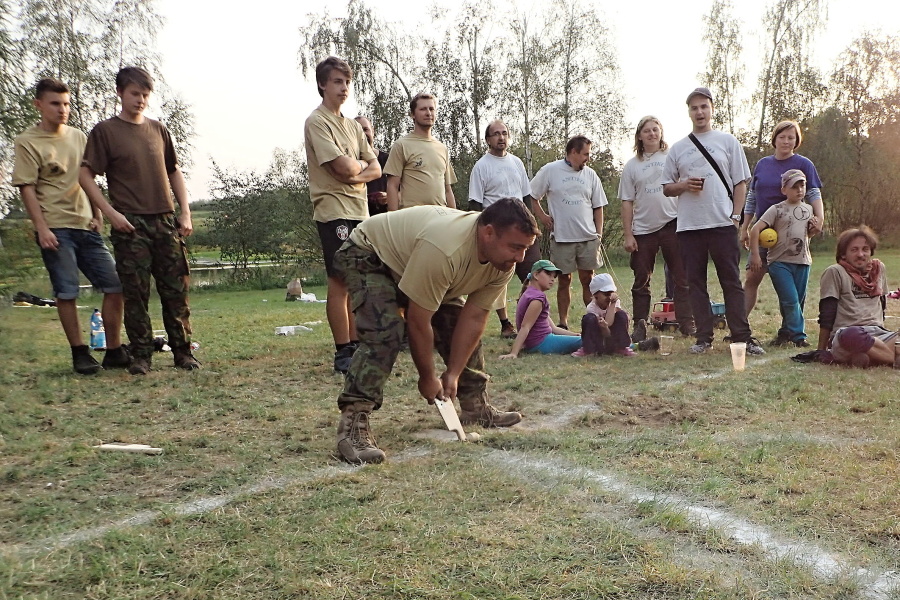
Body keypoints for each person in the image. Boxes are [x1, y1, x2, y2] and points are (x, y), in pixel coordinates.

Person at [332, 198, 538, 464]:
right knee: (386, 330)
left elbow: (474, 319)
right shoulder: (446, 249)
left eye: (525, 249)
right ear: (488, 232)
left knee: (455, 324)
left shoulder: (503, 263)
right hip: (370, 252)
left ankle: (475, 406)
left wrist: (452, 374)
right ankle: (352, 425)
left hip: (421, 264)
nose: (520, 258)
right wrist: (428, 377)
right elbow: (418, 320)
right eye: (515, 247)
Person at [80, 66, 198, 375]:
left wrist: (184, 211)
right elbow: (85, 175)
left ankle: (183, 352)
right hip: (130, 224)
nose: (141, 100)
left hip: (164, 219)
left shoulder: (158, 130)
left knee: (175, 291)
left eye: (145, 95)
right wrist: (111, 214)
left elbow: (173, 170)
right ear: (120, 92)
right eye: (135, 94)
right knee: (135, 294)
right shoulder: (105, 131)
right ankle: (141, 355)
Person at [12, 78, 129, 375]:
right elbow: (27, 187)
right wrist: (41, 228)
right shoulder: (28, 141)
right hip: (55, 227)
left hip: (86, 226)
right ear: (39, 105)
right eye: (55, 103)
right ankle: (79, 353)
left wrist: (98, 215)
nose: (62, 109)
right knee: (67, 291)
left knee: (115, 285)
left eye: (66, 104)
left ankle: (114, 350)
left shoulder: (78, 137)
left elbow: (88, 179)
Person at [662, 87, 764, 356]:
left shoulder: (728, 142)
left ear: (712, 109)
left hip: (721, 224)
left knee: (731, 281)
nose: (699, 112)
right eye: (694, 108)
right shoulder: (679, 148)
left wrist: (736, 216)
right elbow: (666, 188)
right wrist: (683, 184)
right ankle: (703, 337)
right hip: (688, 227)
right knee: (695, 284)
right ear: (689, 113)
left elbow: (741, 183)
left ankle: (742, 336)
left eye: (704, 107)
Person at [303, 57, 382, 374]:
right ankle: (343, 351)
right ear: (323, 84)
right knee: (339, 281)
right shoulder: (317, 122)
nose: (343, 87)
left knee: (359, 281)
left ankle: (359, 344)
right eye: (337, 81)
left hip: (359, 211)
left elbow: (373, 167)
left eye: (347, 82)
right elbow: (342, 167)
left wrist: (357, 171)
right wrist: (358, 168)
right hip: (333, 210)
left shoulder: (352, 126)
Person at [618, 116, 693, 341]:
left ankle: (687, 322)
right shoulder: (632, 165)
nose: (651, 134)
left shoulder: (672, 157)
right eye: (647, 131)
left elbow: (686, 186)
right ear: (639, 136)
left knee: (682, 276)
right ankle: (640, 324)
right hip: (643, 230)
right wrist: (628, 234)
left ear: (661, 133)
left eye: (655, 130)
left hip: (673, 224)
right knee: (641, 278)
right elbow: (626, 202)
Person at [740, 120, 824, 318]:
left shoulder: (804, 164)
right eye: (782, 137)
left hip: (792, 233)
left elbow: (813, 192)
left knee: (791, 286)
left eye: (791, 138)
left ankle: (790, 330)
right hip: (764, 232)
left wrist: (819, 218)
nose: (786, 141)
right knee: (752, 278)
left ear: (796, 141)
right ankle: (740, 326)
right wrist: (745, 226)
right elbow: (752, 197)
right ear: (775, 139)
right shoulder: (763, 164)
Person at [468, 119, 541, 339]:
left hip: (522, 229)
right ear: (488, 139)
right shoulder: (482, 166)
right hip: (498, 234)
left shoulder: (517, 162)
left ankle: (532, 319)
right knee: (499, 277)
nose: (501, 137)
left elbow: (526, 196)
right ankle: (505, 323)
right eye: (496, 134)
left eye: (505, 133)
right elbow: (475, 203)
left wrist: (532, 226)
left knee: (534, 272)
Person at [530, 135, 608, 329]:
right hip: (562, 237)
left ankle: (595, 320)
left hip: (588, 237)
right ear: (573, 152)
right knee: (564, 280)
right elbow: (532, 196)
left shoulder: (590, 175)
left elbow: (598, 207)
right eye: (585, 154)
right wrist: (543, 217)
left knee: (588, 280)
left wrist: (599, 234)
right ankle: (563, 323)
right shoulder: (550, 170)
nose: (588, 158)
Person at [749, 169, 814, 347]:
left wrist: (814, 229)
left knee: (797, 301)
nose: (799, 190)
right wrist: (755, 255)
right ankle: (799, 337)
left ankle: (785, 333)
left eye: (802, 185)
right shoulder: (776, 209)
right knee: (790, 300)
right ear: (784, 189)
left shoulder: (808, 209)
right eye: (794, 186)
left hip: (802, 261)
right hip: (779, 262)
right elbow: (755, 230)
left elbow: (808, 235)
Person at [816, 226, 897, 368]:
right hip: (846, 335)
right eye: (854, 250)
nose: (861, 254)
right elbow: (827, 314)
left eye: (865, 249)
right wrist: (821, 350)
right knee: (852, 335)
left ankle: (868, 357)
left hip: (878, 335)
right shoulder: (835, 272)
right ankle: (892, 359)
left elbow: (882, 305)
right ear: (843, 254)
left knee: (871, 343)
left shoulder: (879, 269)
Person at [384, 92, 457, 210]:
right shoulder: (401, 145)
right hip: (412, 217)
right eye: (423, 109)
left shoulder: (442, 148)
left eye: (431, 109)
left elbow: (448, 189)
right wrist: (393, 221)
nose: (428, 113)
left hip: (439, 216)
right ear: (413, 114)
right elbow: (392, 186)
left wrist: (455, 220)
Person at [499, 260, 581, 359]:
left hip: (540, 341)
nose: (552, 279)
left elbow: (553, 328)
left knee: (582, 339)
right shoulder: (538, 299)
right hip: (542, 343)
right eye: (548, 274)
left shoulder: (530, 293)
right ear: (536, 275)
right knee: (590, 341)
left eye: (554, 276)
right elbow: (525, 327)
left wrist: (574, 335)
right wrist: (514, 353)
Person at [577, 273, 659, 357]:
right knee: (588, 319)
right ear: (595, 295)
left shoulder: (614, 302)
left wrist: (613, 305)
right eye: (606, 294)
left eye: (611, 293)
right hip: (599, 341)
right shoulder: (592, 308)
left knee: (621, 315)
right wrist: (605, 327)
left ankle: (622, 347)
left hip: (612, 339)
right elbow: (606, 328)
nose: (609, 297)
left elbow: (611, 323)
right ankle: (588, 349)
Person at [354, 115, 390, 216]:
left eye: (365, 129)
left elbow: (403, 192)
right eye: (358, 130)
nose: (363, 134)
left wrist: (388, 197)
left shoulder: (388, 160)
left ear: (372, 131)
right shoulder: (348, 164)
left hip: (383, 219)